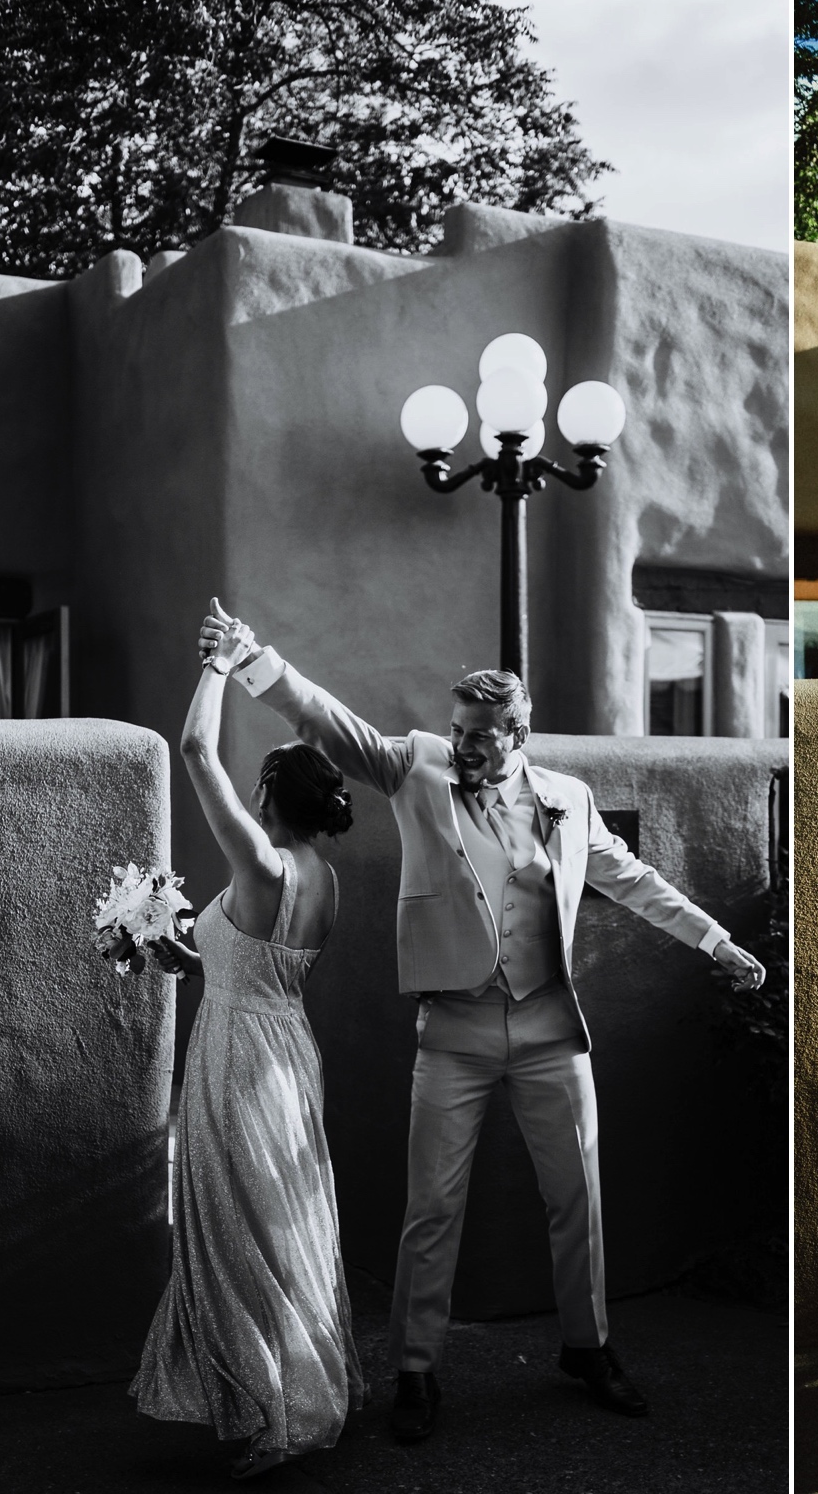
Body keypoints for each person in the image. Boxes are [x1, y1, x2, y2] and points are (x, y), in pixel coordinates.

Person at [196, 601, 767, 1441]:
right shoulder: (417, 768)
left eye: (483, 732)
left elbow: (636, 881)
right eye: (459, 726)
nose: (465, 742)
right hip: (453, 1034)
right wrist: (250, 658)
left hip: (548, 1032)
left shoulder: (568, 800)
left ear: (519, 730)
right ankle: (417, 1372)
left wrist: (716, 941)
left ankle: (589, 1346)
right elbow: (328, 721)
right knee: (432, 1207)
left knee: (578, 1198)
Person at [131, 618, 364, 1479]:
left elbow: (195, 751)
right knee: (282, 1220)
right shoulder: (324, 881)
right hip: (286, 1052)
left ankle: (285, 1411)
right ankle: (296, 1388)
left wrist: (220, 666)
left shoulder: (262, 864)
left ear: (270, 797)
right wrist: (180, 952)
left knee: (242, 1230)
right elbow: (258, 969)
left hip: (238, 1059)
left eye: (262, 785)